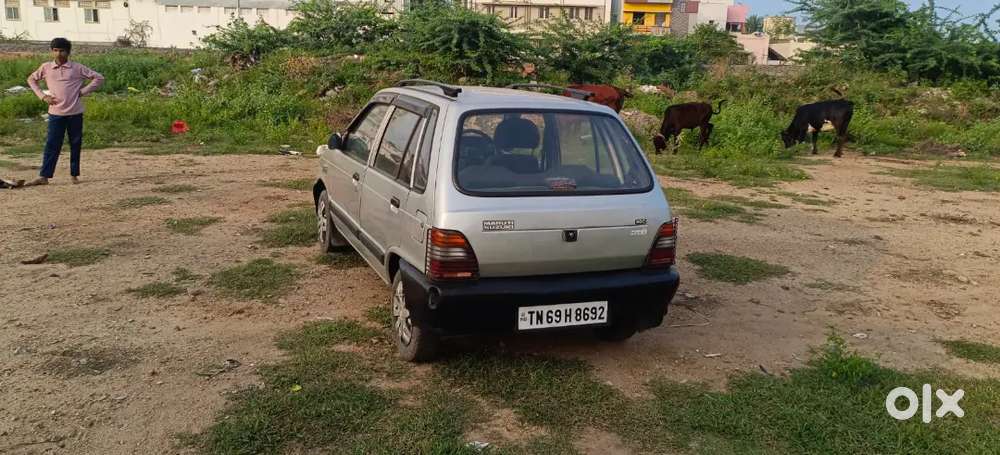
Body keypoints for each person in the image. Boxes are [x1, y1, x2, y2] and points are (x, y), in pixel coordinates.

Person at [25, 37, 104, 186]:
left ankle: (74, 175)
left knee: (75, 143)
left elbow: (98, 78)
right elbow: (31, 79)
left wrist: (83, 91)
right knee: (52, 144)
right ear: (51, 51)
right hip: (56, 113)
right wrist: (43, 96)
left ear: (68, 52)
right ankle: (44, 176)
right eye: (55, 50)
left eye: (62, 50)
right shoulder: (46, 67)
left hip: (75, 112)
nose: (58, 54)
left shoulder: (77, 68)